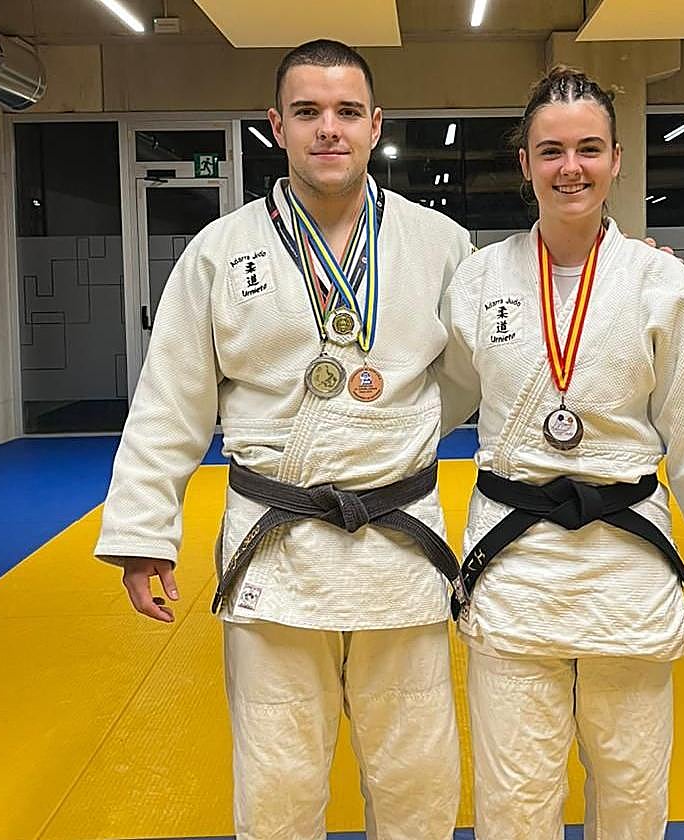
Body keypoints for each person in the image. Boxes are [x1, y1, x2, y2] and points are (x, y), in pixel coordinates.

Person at [94, 40, 472, 840]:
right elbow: (171, 398)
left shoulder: (440, 245)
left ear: (375, 125)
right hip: (276, 553)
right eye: (307, 112)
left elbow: (489, 364)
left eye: (344, 113)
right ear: (276, 126)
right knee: (276, 789)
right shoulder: (221, 251)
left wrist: (615, 271)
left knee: (418, 785)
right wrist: (142, 532)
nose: (326, 129)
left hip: (399, 553)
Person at [436, 67, 684, 839]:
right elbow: (427, 402)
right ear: (525, 163)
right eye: (552, 150)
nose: (572, 167)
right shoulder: (478, 282)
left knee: (632, 798)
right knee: (512, 801)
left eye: (589, 149)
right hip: (513, 568)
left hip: (626, 571)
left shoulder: (659, 282)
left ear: (617, 159)